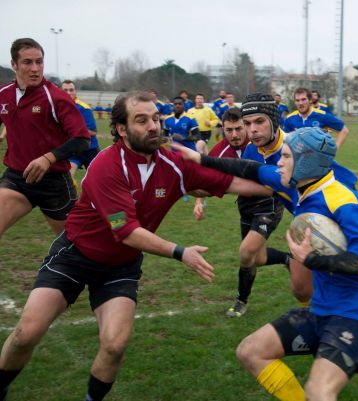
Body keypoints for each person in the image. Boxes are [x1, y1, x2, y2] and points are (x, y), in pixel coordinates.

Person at [0, 91, 270, 401]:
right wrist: (181, 252)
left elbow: (235, 184)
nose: (154, 126)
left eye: (156, 118)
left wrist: (284, 185)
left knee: (115, 345)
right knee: (26, 334)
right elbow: (125, 231)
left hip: (120, 267)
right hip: (75, 256)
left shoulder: (174, 163)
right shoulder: (106, 165)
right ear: (121, 129)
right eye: (141, 121)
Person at [179, 127, 358, 400]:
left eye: (286, 156)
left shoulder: (342, 201)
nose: (279, 161)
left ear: (305, 162)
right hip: (323, 310)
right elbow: (249, 168)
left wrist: (312, 259)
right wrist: (200, 159)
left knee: (319, 391)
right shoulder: (294, 183)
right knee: (250, 351)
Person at [0, 38, 90, 240]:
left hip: (54, 183)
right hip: (17, 178)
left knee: (74, 246)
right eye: (27, 62)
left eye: (39, 62)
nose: (35, 68)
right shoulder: (3, 95)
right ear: (14, 64)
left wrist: (48, 158)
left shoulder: (56, 97)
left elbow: (82, 139)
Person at [224, 93, 290, 317]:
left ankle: (241, 300)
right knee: (257, 257)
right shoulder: (251, 148)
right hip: (246, 207)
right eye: (247, 124)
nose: (252, 130)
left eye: (259, 122)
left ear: (273, 120)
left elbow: (276, 188)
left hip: (269, 207)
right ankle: (287, 259)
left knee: (245, 253)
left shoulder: (290, 147)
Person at [192, 107, 248, 221]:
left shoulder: (257, 142)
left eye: (238, 129)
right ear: (223, 129)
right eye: (229, 130)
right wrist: (199, 203)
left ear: (246, 126)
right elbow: (204, 179)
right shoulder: (219, 152)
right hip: (246, 202)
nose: (234, 135)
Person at [61, 80, 100, 190]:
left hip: (90, 149)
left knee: (98, 179)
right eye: (65, 90)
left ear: (75, 92)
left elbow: (93, 132)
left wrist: (70, 130)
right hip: (73, 148)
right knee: (68, 177)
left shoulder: (84, 108)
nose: (68, 93)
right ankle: (71, 200)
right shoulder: (58, 107)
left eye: (71, 90)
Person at [284, 87, 349, 150]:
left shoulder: (322, 115)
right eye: (297, 100)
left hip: (319, 159)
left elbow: (344, 130)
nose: (300, 103)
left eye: (303, 99)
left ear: (310, 101)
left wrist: (335, 148)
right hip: (298, 159)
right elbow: (284, 138)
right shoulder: (289, 118)